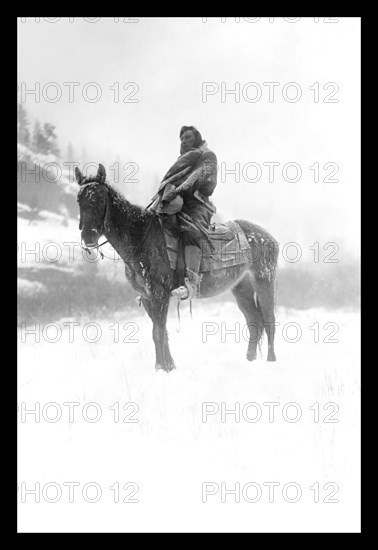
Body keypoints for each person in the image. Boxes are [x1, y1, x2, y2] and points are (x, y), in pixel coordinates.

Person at [149, 126, 218, 299]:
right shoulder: (182, 161)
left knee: (191, 230)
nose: (184, 140)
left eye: (188, 137)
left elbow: (203, 178)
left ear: (197, 138)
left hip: (197, 205)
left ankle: (191, 282)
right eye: (182, 138)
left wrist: (179, 190)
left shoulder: (208, 156)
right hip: (175, 204)